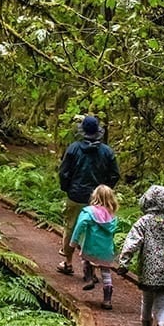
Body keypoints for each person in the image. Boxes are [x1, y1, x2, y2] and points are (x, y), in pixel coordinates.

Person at [116, 185, 164, 326]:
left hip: (149, 269)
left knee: (147, 301)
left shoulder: (144, 222)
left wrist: (124, 262)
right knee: (161, 303)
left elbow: (132, 242)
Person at [56, 115, 119, 276]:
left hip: (76, 196)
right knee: (95, 230)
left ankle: (68, 263)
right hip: (99, 199)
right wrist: (105, 191)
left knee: (70, 227)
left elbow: (64, 172)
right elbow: (114, 174)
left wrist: (67, 189)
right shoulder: (107, 152)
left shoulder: (73, 148)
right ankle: (92, 267)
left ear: (83, 131)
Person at [69, 185, 119, 309]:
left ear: (94, 196)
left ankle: (89, 278)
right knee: (106, 273)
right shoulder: (112, 215)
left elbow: (81, 224)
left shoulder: (89, 211)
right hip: (106, 250)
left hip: (91, 246)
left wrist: (74, 241)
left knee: (85, 259)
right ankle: (107, 300)